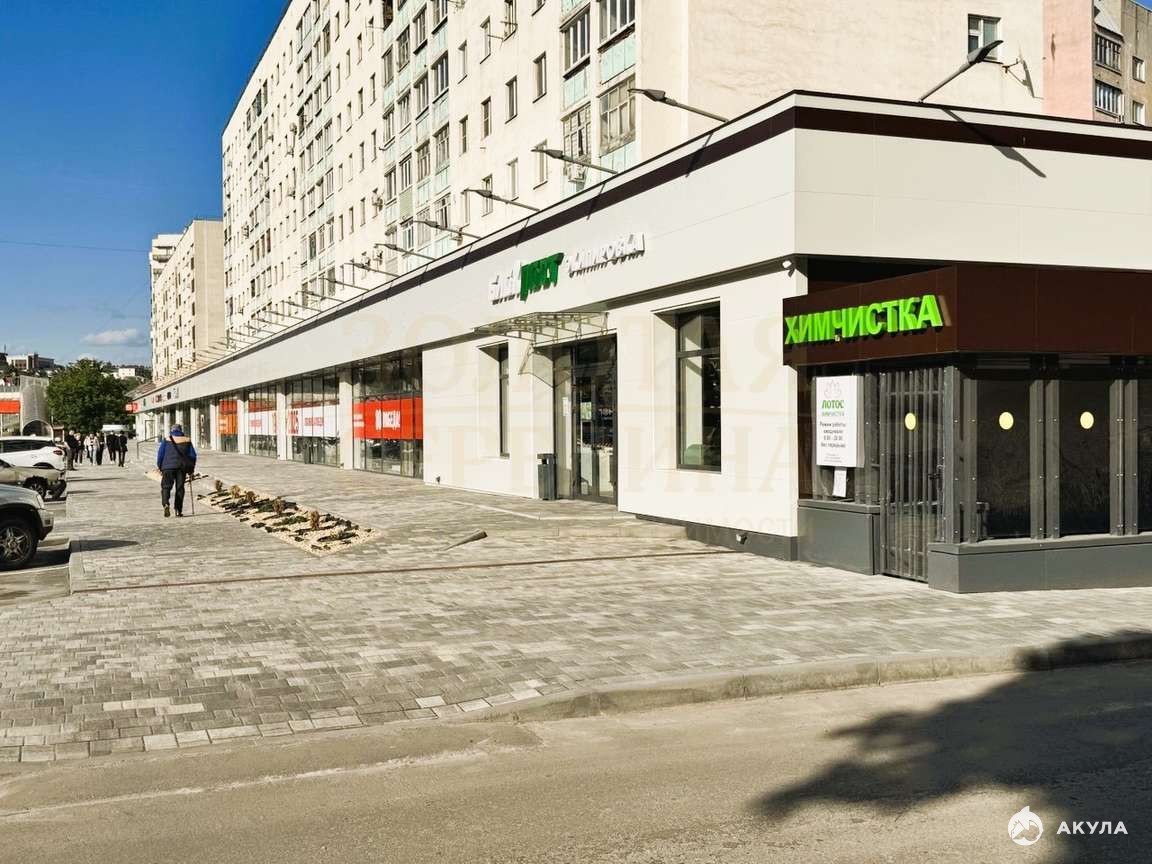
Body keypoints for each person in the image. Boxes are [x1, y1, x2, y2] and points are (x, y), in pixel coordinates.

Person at [156, 424, 196, 518]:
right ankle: (178, 510)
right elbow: (193, 456)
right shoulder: (187, 440)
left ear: (172, 430)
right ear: (181, 430)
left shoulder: (166, 440)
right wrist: (191, 469)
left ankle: (166, 503)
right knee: (180, 488)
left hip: (167, 467)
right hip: (181, 467)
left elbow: (160, 454)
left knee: (166, 487)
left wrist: (160, 466)